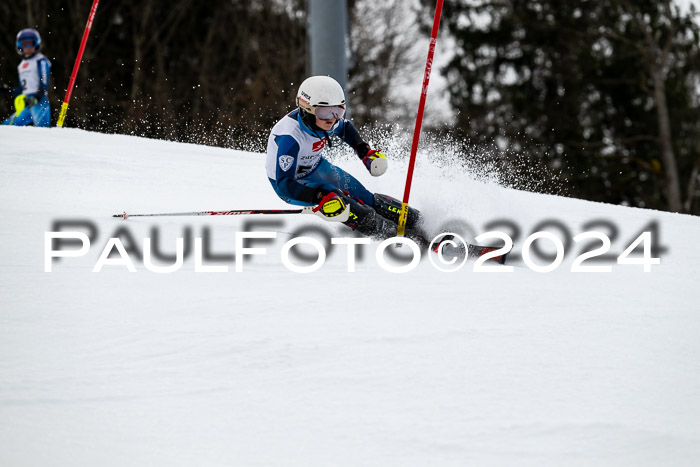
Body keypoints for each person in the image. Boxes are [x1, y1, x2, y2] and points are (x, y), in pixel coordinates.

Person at [266, 75, 421, 238]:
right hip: (290, 183)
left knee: (365, 196)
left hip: (317, 167)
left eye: (338, 111)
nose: (332, 119)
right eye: (325, 112)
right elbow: (285, 184)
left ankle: (417, 221)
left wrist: (365, 153)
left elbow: (345, 128)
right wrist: (319, 195)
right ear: (307, 110)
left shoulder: (324, 119)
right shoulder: (290, 137)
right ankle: (385, 233)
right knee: (336, 198)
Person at [1, 29, 52, 127]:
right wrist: (6, 90)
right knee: (7, 126)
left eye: (31, 43)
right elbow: (21, 90)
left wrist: (37, 97)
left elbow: (44, 81)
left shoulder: (41, 60)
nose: (28, 47)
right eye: (25, 44)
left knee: (42, 130)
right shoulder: (21, 65)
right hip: (26, 102)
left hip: (39, 101)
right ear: (20, 46)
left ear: (36, 44)